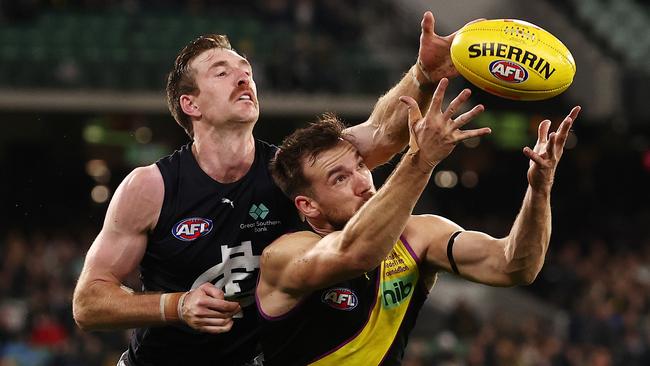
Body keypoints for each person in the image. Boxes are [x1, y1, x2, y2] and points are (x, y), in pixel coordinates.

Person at [72, 11, 466, 366]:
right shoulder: (150, 187)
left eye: (246, 69)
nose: (244, 76)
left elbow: (381, 133)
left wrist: (422, 75)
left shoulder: (289, 170)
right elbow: (88, 303)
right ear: (190, 104)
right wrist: (176, 305)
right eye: (221, 72)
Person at [256, 78, 581, 365]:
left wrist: (540, 190)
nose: (362, 182)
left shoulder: (419, 234)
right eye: (339, 179)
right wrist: (421, 159)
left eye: (359, 166)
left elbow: (514, 266)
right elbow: (355, 252)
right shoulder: (284, 255)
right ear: (308, 205)